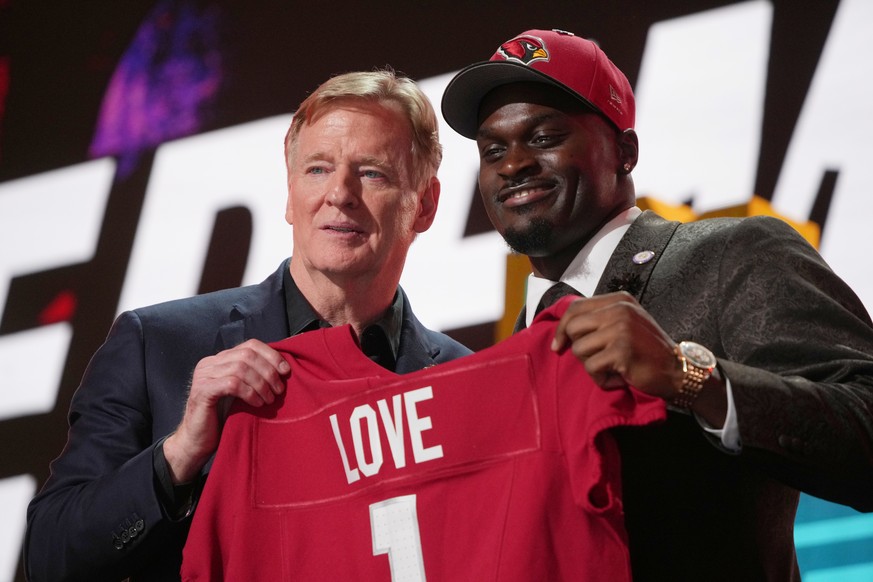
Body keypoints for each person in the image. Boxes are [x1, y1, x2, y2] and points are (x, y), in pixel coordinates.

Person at [441, 28, 873, 581]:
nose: (513, 165)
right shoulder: (511, 351)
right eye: (493, 151)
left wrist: (688, 376)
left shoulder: (734, 254)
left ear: (625, 153)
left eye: (544, 137)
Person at [25, 69, 471, 582]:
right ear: (289, 194)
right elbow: (49, 556)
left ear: (425, 205)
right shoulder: (156, 345)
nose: (340, 193)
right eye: (318, 169)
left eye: (372, 173)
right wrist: (179, 453)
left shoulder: (460, 383)